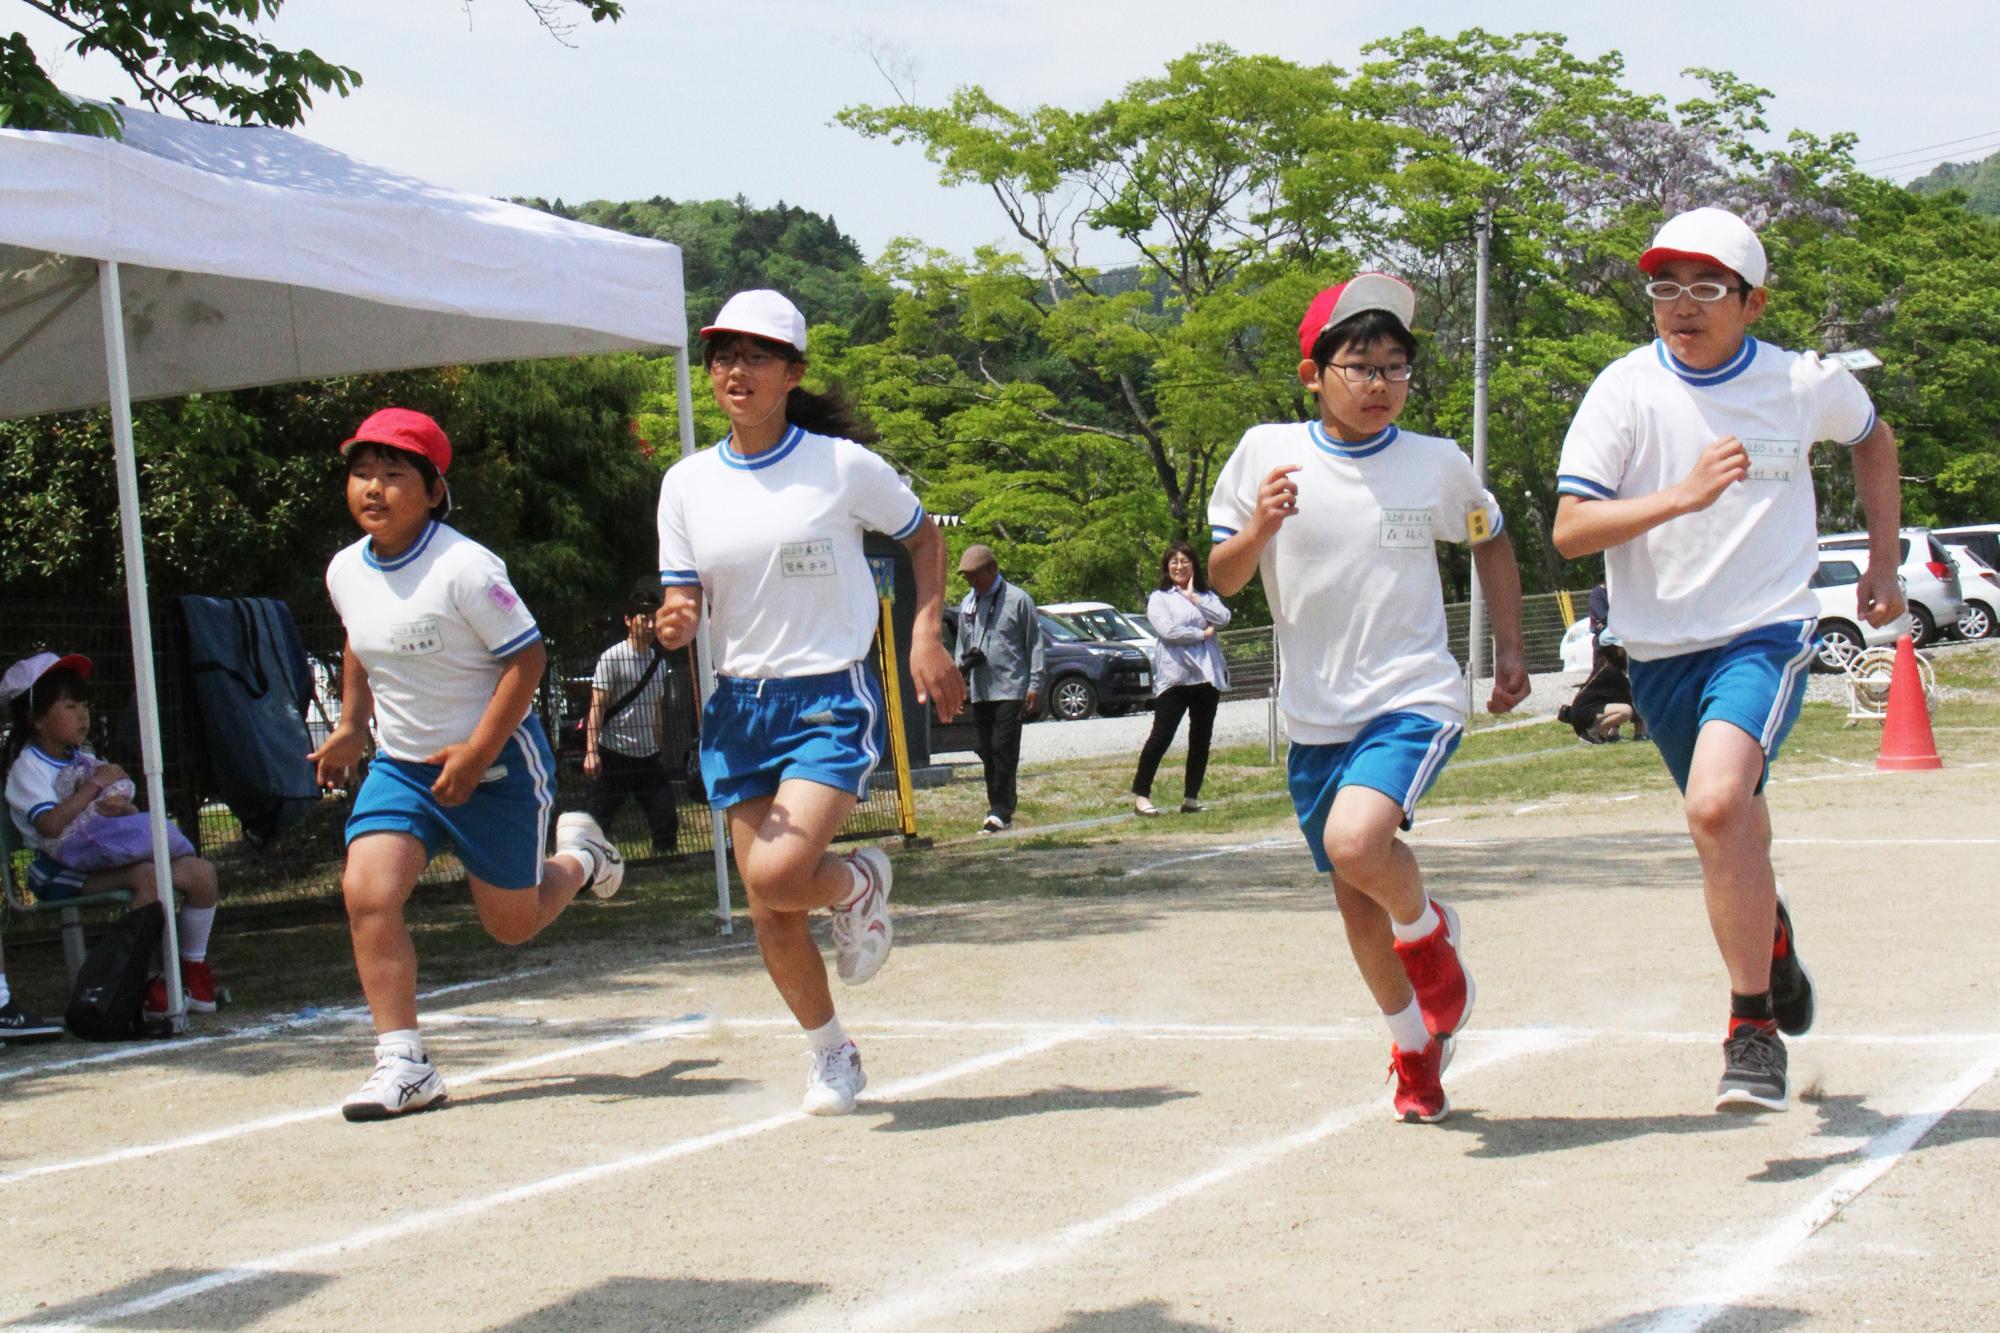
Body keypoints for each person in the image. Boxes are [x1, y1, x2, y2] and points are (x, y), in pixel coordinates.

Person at [1553, 206, 1904, 1113]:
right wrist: (1680, 496)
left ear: (1752, 302)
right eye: (1665, 286)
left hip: (1764, 633)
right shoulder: (1624, 390)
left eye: (1708, 287)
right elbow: (1570, 528)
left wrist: (1881, 558)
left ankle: (1751, 1031)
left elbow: (1872, 437)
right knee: (1730, 825)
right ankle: (1772, 942)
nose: (1682, 304)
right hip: (1660, 650)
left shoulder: (1801, 383)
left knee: (1715, 802)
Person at [1208, 273, 1530, 1124]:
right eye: (1359, 365)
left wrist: (1509, 648)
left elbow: (1491, 541)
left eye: (1396, 366)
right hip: (1316, 713)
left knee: (1359, 842)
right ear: (1312, 374)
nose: (1380, 382)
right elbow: (1223, 575)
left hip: (1411, 694)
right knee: (1354, 898)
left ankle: (1428, 935)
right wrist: (1260, 527)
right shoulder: (1263, 453)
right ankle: (1415, 1049)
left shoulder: (1434, 462)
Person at [655, 290, 963, 1115]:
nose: (735, 370)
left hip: (830, 692)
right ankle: (832, 1052)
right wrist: (677, 618)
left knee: (785, 871)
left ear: (793, 372)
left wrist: (924, 633)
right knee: (768, 902)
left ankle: (857, 879)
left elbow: (924, 535)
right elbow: (681, 592)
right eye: (723, 354)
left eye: (756, 355)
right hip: (740, 704)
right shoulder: (685, 484)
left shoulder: (839, 466)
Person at [310, 407, 625, 1122]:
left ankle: (579, 857)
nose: (373, 488)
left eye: (394, 475)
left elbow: (528, 656)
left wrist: (477, 750)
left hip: (496, 764)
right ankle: (404, 1060)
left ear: (432, 490)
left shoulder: (465, 566)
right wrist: (351, 726)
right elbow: (358, 640)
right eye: (362, 473)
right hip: (402, 766)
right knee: (367, 890)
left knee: (511, 925)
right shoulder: (344, 570)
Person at [3, 651, 224, 1019]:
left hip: (99, 855)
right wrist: (92, 788)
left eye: (84, 705)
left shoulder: (81, 756)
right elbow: (51, 826)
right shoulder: (28, 767)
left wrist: (121, 809)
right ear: (36, 718)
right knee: (147, 877)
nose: (82, 715)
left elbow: (103, 807)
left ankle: (190, 972)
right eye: (70, 705)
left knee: (201, 874)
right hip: (57, 869)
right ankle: (134, 981)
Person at [1131, 540, 1231, 816]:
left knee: (1201, 737)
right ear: (1166, 567)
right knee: (1161, 736)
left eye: (1184, 561)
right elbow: (1168, 632)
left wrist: (1195, 600)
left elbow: (1223, 618)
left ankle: (1191, 797)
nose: (1179, 566)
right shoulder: (1159, 598)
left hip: (1206, 676)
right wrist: (1201, 634)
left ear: (1193, 565)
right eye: (1173, 562)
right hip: (1175, 677)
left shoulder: (1205, 595)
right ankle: (1141, 795)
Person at [584, 587, 682, 856]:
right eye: (643, 617)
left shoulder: (658, 663)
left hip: (647, 756)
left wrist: (658, 745)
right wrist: (591, 752)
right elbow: (597, 707)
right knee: (596, 821)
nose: (650, 625)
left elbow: (656, 709)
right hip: (613, 753)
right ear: (628, 620)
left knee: (666, 820)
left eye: (654, 618)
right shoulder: (611, 658)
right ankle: (587, 865)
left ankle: (664, 865)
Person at [956, 544, 1044, 833]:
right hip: (981, 689)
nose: (971, 582)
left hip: (1012, 687)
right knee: (986, 750)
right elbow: (962, 647)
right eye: (967, 577)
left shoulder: (1019, 599)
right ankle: (997, 804)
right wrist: (959, 682)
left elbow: (1034, 644)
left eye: (975, 576)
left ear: (992, 569)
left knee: (1003, 748)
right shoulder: (969, 603)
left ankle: (1001, 810)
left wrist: (1034, 683)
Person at [1558, 637, 1646, 743]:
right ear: (1614, 649)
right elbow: (1631, 697)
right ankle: (1589, 733)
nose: (1625, 650)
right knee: (1626, 711)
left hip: (1584, 711)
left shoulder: (1604, 664)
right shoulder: (1612, 671)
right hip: (1584, 713)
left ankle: (1606, 734)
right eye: (1622, 648)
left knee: (1622, 706)